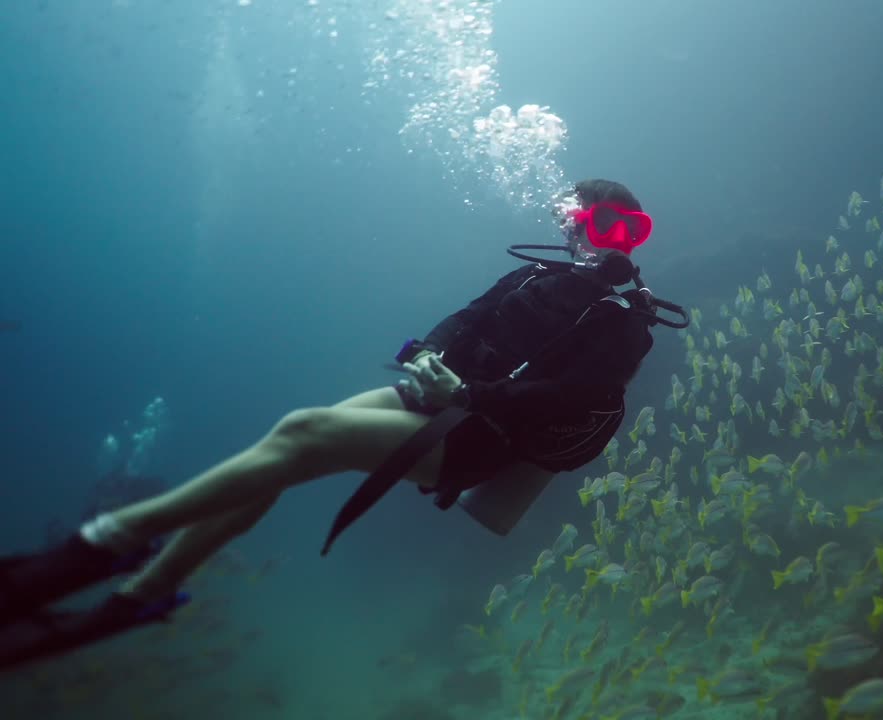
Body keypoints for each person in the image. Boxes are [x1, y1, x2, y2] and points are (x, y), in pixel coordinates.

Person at [0, 179, 683, 670]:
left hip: (480, 438)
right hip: (439, 398)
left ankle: (101, 546)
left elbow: (573, 394)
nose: (614, 244)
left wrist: (471, 394)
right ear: (571, 225)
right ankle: (145, 591)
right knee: (297, 430)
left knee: (305, 441)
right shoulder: (531, 278)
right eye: (601, 226)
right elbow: (466, 316)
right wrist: (428, 354)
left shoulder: (626, 323)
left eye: (630, 231)